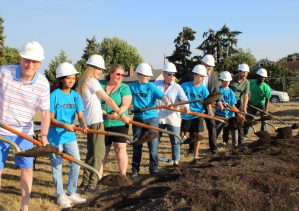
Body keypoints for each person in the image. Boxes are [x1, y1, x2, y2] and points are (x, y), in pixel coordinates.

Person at [0, 41, 50, 211]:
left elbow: (44, 113)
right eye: (27, 59)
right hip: (1, 129)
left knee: (26, 170)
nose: (30, 64)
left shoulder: (43, 83)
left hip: (24, 133)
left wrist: (43, 135)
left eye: (34, 61)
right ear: (21, 59)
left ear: (40, 63)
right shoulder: (5, 72)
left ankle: (25, 208)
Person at [77, 55, 129, 194]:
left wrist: (105, 113)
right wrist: (122, 115)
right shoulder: (93, 81)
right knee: (99, 155)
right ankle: (92, 185)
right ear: (92, 68)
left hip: (90, 121)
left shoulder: (83, 81)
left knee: (91, 154)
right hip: (96, 122)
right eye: (99, 69)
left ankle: (85, 182)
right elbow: (108, 100)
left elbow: (90, 104)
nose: (100, 72)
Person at [48, 62, 88, 208]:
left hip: (70, 135)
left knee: (76, 162)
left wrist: (83, 125)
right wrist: (64, 125)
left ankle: (72, 192)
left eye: (73, 78)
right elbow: (51, 119)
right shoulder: (54, 96)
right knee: (57, 164)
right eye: (68, 78)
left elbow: (81, 115)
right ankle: (60, 195)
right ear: (61, 79)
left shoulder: (76, 96)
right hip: (55, 134)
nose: (71, 81)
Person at [130, 63, 171, 177]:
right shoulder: (132, 87)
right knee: (137, 144)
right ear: (138, 75)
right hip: (138, 118)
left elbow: (162, 96)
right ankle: (135, 170)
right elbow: (127, 99)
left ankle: (154, 169)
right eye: (146, 75)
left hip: (152, 118)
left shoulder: (151, 86)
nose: (148, 77)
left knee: (153, 145)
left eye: (149, 76)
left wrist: (167, 102)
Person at [99, 64, 132, 176]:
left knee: (120, 149)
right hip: (102, 123)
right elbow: (93, 102)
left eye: (122, 75)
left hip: (119, 122)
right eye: (118, 74)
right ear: (111, 73)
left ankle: (122, 175)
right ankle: (98, 177)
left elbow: (125, 105)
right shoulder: (100, 85)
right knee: (103, 151)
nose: (120, 76)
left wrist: (116, 113)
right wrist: (102, 112)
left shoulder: (124, 88)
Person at [154, 62, 189, 166]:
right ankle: (154, 161)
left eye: (173, 74)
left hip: (172, 118)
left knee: (175, 140)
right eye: (169, 74)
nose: (172, 77)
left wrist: (186, 107)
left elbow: (185, 100)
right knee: (155, 140)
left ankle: (176, 161)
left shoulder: (177, 87)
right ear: (164, 74)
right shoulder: (156, 84)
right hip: (158, 116)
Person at [181, 65, 212, 161]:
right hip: (186, 114)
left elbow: (208, 102)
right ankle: (184, 142)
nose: (203, 79)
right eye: (201, 76)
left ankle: (195, 155)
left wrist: (210, 112)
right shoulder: (185, 86)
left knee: (197, 135)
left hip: (198, 114)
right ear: (195, 75)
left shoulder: (203, 89)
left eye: (204, 77)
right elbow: (179, 98)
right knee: (181, 133)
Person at [244, 68, 271, 136]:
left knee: (264, 120)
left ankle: (264, 134)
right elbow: (246, 92)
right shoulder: (251, 83)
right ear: (258, 76)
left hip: (262, 104)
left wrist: (266, 109)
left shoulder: (266, 87)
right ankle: (244, 134)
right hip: (251, 104)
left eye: (264, 77)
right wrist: (247, 102)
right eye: (261, 77)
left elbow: (267, 99)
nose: (262, 78)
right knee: (248, 119)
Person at [201, 54, 219, 155]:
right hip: (197, 105)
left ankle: (214, 150)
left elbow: (216, 91)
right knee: (195, 127)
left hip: (209, 105)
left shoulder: (214, 77)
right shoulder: (194, 74)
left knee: (212, 127)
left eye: (211, 66)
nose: (209, 68)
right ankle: (192, 147)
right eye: (207, 65)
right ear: (202, 64)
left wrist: (219, 101)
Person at [215, 71, 238, 148]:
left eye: (228, 81)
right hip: (220, 114)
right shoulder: (218, 90)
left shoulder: (231, 92)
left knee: (234, 129)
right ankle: (213, 146)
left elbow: (233, 105)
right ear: (221, 81)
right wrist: (220, 103)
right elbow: (217, 100)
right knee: (216, 131)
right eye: (225, 81)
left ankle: (235, 146)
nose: (226, 83)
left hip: (230, 115)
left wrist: (238, 112)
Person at [229, 63, 250, 143]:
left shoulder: (247, 82)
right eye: (243, 72)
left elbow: (246, 95)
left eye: (247, 73)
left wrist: (244, 108)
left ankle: (240, 141)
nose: (245, 74)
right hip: (230, 103)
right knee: (233, 122)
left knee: (240, 121)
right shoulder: (231, 79)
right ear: (239, 71)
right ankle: (232, 142)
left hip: (239, 103)